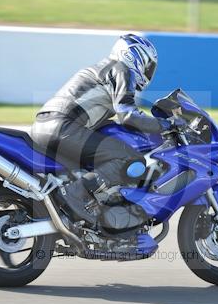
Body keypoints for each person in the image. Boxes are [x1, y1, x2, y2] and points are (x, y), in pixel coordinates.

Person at [31, 34, 169, 223]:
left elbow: (98, 115)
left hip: (47, 125)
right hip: (63, 127)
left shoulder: (103, 69)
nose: (148, 72)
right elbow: (127, 114)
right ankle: (75, 194)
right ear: (134, 56)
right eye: (148, 66)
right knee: (130, 158)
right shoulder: (121, 69)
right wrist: (164, 124)